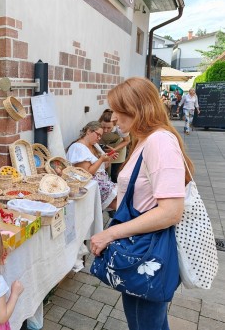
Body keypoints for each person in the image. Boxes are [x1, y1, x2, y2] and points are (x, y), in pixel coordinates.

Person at [90, 77, 193, 330]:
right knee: (151, 323)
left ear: (135, 109)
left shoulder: (159, 142)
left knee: (143, 323)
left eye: (116, 109)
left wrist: (109, 233)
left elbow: (171, 211)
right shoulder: (147, 139)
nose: (113, 117)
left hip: (147, 252)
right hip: (144, 248)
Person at [66, 121, 118, 210]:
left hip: (103, 183)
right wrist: (101, 159)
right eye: (97, 134)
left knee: (124, 195)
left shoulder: (94, 145)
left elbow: (102, 167)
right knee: (121, 202)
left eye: (100, 136)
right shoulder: (78, 148)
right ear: (89, 131)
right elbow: (88, 173)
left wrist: (109, 157)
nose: (99, 138)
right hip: (92, 186)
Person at [98, 109, 131, 183]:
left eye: (109, 128)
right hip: (104, 149)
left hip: (118, 149)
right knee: (103, 172)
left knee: (115, 174)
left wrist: (114, 150)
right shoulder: (97, 127)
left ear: (115, 124)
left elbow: (127, 140)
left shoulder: (120, 129)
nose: (105, 130)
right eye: (103, 127)